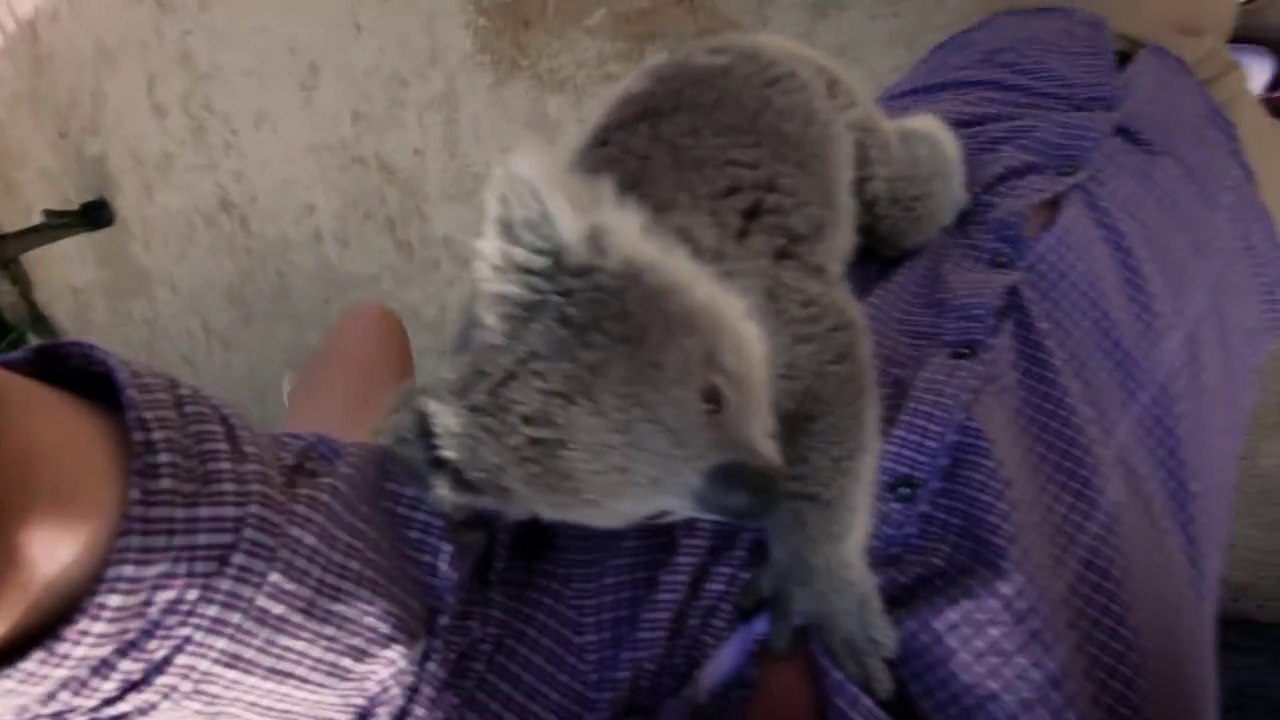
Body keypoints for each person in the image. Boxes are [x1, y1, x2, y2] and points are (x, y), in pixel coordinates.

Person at [3, 0, 1279, 717]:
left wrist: (368, 451)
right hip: (1169, 215)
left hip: (1021, 111)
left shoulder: (410, 655)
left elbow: (72, 529)